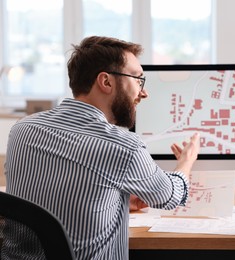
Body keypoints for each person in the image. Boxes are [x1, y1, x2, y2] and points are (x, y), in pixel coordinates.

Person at [4, 36, 200, 260]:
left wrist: (117, 199)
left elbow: (51, 197)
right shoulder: (124, 147)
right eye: (138, 79)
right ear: (106, 82)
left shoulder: (22, 130)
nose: (143, 93)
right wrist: (187, 161)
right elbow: (170, 196)